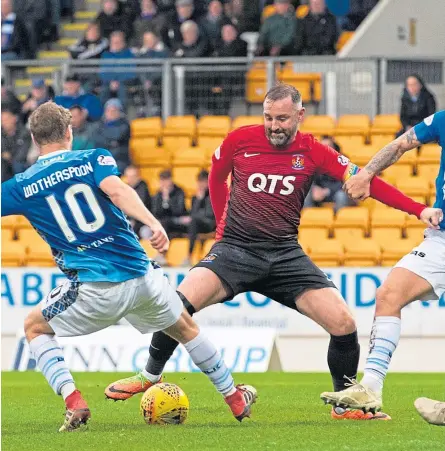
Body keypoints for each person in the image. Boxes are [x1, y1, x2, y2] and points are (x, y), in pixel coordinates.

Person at [105, 84, 438, 420]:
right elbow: (217, 178)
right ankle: (150, 375)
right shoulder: (239, 141)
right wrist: (222, 229)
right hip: (235, 250)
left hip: (284, 255)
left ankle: (344, 404)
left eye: (282, 118)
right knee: (176, 305)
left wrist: (419, 210)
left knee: (343, 322)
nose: (275, 125)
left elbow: (366, 180)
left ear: (300, 116)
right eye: (268, 118)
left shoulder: (314, 151)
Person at [1, 101, 257, 432]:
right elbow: (117, 191)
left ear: (34, 140)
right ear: (69, 132)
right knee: (184, 327)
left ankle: (74, 401)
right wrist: (153, 224)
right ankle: (234, 398)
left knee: (35, 327)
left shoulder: (21, 185)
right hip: (142, 276)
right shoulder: (93, 158)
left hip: (93, 288)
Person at [320, 111, 445, 424]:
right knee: (388, 294)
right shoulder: (443, 120)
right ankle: (370, 390)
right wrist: (367, 174)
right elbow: (402, 144)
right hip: (440, 239)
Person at [304, 136, 354, 212]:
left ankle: (338, 222)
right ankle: (309, 219)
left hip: (340, 193)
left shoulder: (345, 162)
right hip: (322, 194)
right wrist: (315, 189)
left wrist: (328, 191)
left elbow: (348, 185)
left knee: (341, 196)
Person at [182, 170, 216, 266]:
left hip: (210, 224)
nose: (201, 184)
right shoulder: (195, 197)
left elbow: (209, 214)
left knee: (194, 222)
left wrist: (201, 200)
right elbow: (192, 213)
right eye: (199, 182)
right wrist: (198, 200)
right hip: (197, 224)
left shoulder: (213, 195)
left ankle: (189, 256)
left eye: (203, 182)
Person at [99, 30, 137, 108]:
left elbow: (130, 72)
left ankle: (122, 114)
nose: (116, 44)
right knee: (103, 90)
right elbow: (103, 72)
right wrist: (111, 81)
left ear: (123, 43)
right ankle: (103, 116)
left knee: (122, 89)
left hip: (124, 82)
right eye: (114, 42)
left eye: (118, 42)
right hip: (108, 83)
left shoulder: (129, 54)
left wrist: (117, 81)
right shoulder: (106, 55)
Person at [94, 98, 131, 172]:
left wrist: (104, 135)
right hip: (103, 160)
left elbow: (117, 135)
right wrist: (110, 142)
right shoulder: (99, 126)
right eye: (108, 110)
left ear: (120, 112)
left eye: (114, 111)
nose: (111, 113)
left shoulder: (125, 125)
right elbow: (97, 140)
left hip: (120, 161)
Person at [151, 169, 189, 237]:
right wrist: (164, 200)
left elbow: (179, 211)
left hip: (177, 219)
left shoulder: (179, 192)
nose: (163, 183)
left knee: (166, 223)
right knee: (145, 230)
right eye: (162, 180)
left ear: (170, 180)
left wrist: (167, 199)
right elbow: (155, 212)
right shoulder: (158, 194)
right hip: (162, 220)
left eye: (165, 180)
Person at [1, 107, 32, 179]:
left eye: (6, 119)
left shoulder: (24, 133)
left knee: (17, 165)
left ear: (15, 118)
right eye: (2, 120)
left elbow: (21, 156)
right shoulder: (2, 134)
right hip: (5, 167)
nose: (4, 123)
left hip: (21, 166)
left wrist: (8, 156)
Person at [123, 165, 152, 237]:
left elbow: (139, 206)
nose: (130, 179)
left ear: (138, 177)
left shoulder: (143, 188)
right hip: (129, 219)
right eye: (128, 177)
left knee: (145, 232)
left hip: (144, 222)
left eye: (133, 176)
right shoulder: (124, 188)